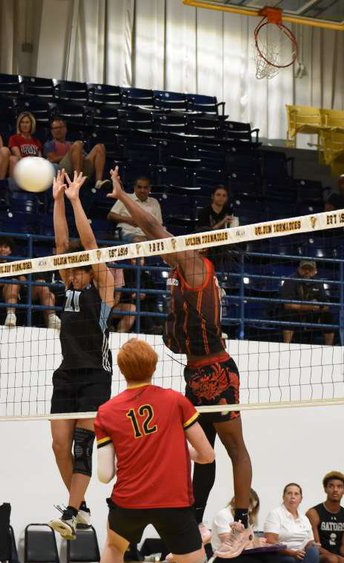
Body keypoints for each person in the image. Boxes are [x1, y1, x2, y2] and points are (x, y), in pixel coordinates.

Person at [107, 167, 254, 527]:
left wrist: (125, 196)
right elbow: (153, 239)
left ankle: (240, 519)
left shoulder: (195, 262)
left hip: (216, 370)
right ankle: (195, 520)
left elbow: (155, 230)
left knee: (235, 448)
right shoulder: (182, 268)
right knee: (203, 453)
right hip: (196, 371)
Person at [94, 338, 215, 563]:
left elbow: (105, 475)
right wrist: (182, 453)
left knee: (114, 547)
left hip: (128, 503)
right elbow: (207, 455)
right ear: (154, 366)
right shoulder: (175, 400)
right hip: (173, 502)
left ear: (121, 370)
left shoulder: (106, 412)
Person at [47, 171, 116, 540]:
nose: (70, 273)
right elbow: (61, 242)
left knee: (83, 445)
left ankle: (73, 511)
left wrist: (76, 200)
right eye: (68, 269)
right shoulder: (68, 285)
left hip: (94, 375)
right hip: (67, 374)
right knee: (59, 444)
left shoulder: (103, 290)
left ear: (88, 272)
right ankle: (82, 506)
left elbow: (89, 246)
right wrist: (57, 197)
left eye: (77, 269)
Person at [0, 237, 59, 330]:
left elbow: (26, 280)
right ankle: (11, 316)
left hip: (24, 296)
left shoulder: (17, 263)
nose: (2, 249)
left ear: (10, 250)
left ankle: (52, 318)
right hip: (1, 297)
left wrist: (23, 280)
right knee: (13, 283)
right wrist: (7, 281)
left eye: (6, 247)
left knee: (42, 285)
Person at [213, 490, 288, 563]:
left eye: (253, 508)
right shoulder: (223, 515)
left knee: (272, 557)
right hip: (224, 558)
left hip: (240, 555)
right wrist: (253, 543)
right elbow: (229, 545)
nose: (251, 510)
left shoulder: (244, 517)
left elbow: (248, 541)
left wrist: (259, 542)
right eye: (250, 506)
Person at [263, 484, 320, 563]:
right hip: (284, 554)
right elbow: (270, 541)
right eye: (289, 493)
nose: (293, 497)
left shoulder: (304, 518)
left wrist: (313, 545)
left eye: (296, 494)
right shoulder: (275, 514)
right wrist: (292, 553)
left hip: (302, 554)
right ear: (283, 497)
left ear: (301, 499)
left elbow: (310, 541)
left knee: (313, 552)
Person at [278, 261, 334, 346]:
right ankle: (286, 345)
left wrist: (318, 307)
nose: (307, 271)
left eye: (310, 269)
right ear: (299, 269)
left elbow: (326, 305)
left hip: (313, 313)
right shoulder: (291, 280)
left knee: (328, 316)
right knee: (288, 315)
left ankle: (329, 347)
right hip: (296, 313)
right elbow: (288, 305)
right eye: (304, 269)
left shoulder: (318, 282)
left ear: (315, 271)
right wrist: (307, 306)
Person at [44, 117, 108, 189]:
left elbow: (83, 155)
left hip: (81, 166)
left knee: (100, 147)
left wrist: (79, 155)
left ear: (65, 129)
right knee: (78, 144)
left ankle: (98, 181)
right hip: (63, 169)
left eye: (61, 127)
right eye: (56, 128)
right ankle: (77, 179)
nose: (58, 130)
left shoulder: (71, 144)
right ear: (52, 131)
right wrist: (71, 155)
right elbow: (52, 159)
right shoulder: (50, 144)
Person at [108, 175, 163, 243]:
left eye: (145, 188)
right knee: (139, 242)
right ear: (134, 187)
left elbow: (159, 224)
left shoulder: (154, 202)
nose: (142, 190)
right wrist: (129, 220)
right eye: (139, 187)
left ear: (149, 189)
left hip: (148, 235)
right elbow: (110, 215)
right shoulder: (125, 197)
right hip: (128, 232)